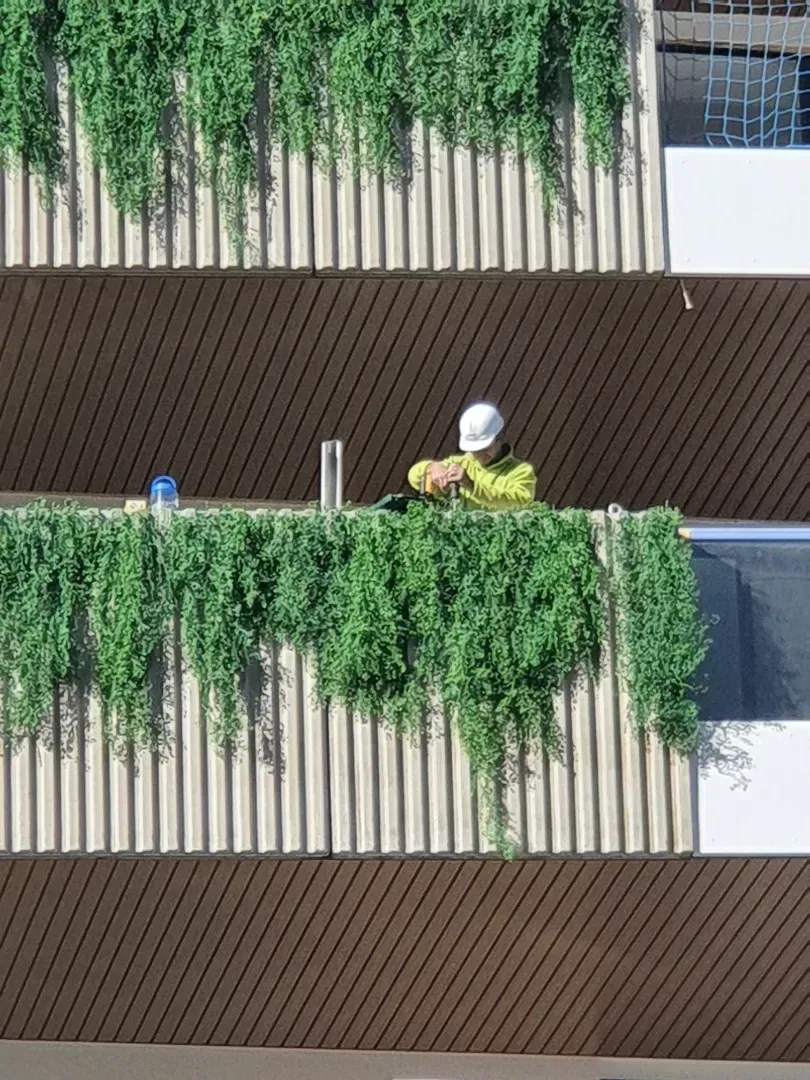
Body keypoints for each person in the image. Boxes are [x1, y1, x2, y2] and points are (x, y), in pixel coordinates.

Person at [408, 402, 536, 511]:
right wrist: (432, 467)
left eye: (485, 448)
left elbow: (520, 501)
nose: (480, 455)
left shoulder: (520, 471)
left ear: (500, 437)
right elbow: (414, 475)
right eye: (475, 450)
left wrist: (470, 484)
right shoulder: (461, 463)